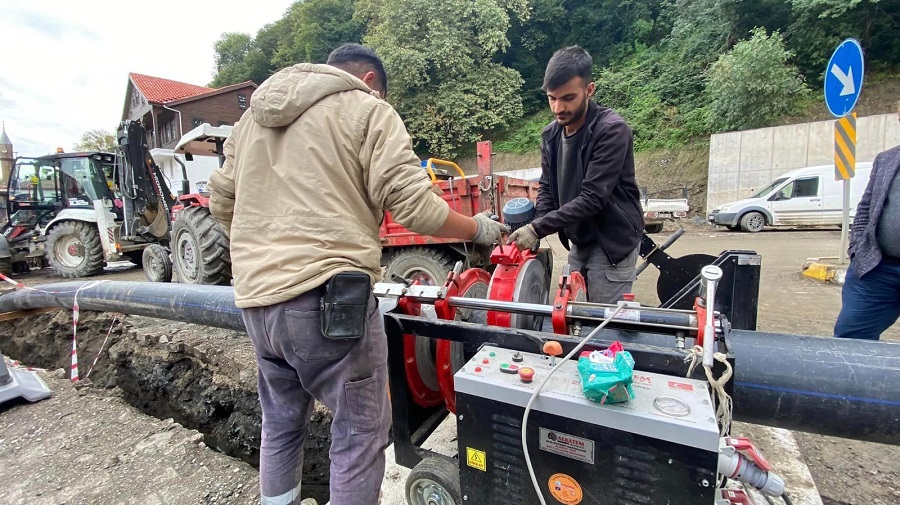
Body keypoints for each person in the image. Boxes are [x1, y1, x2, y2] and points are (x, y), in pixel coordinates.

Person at [208, 43, 508, 505]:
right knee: (359, 435)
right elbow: (415, 207)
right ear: (370, 82)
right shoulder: (365, 108)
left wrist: (265, 254)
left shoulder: (251, 122)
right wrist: (478, 228)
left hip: (257, 303)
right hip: (330, 302)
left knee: (282, 425)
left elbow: (221, 204)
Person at [508, 46, 644, 303]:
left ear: (589, 90)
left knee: (601, 324)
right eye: (552, 98)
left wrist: (537, 228)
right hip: (579, 240)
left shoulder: (612, 131)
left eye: (568, 98)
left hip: (613, 242)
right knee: (572, 313)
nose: (558, 108)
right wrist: (534, 227)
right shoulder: (551, 135)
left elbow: (593, 198)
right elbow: (547, 187)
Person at [833, 102, 900, 340]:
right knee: (849, 339)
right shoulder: (887, 160)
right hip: (877, 268)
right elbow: (866, 208)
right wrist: (857, 249)